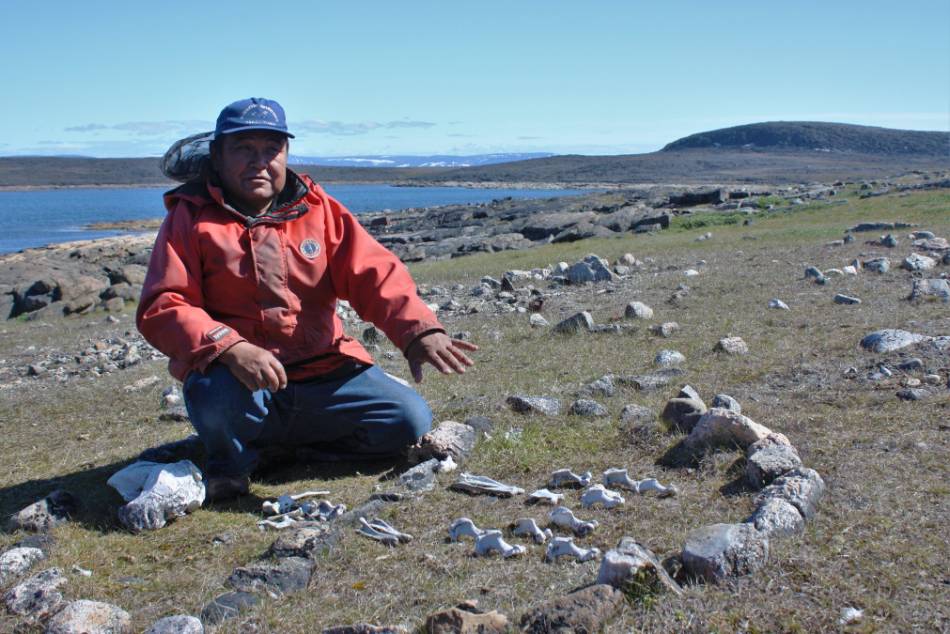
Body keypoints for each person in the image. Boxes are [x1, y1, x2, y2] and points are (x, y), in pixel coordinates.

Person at [137, 98, 476, 501]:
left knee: (408, 420)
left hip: (325, 370)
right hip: (241, 378)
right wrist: (230, 348)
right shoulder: (190, 217)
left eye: (271, 150)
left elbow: (374, 274)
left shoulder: (318, 210)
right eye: (243, 148)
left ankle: (284, 451)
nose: (259, 162)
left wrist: (419, 331)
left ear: (286, 153)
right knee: (213, 394)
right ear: (217, 154)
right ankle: (229, 464)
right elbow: (165, 303)